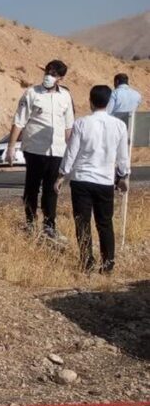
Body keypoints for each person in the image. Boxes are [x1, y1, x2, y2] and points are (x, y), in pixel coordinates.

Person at [55, 85, 131, 273]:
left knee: (82, 222)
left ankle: (87, 262)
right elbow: (123, 156)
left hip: (82, 179)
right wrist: (124, 176)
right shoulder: (119, 126)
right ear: (109, 102)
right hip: (105, 181)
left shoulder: (81, 123)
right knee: (105, 223)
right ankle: (108, 264)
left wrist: (61, 175)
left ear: (90, 101)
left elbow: (71, 152)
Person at [6, 60, 75, 238]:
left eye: (53, 74)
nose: (48, 77)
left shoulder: (65, 96)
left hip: (57, 150)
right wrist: (11, 147)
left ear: (60, 78)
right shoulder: (32, 93)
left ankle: (49, 225)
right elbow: (19, 121)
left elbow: (68, 126)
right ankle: (30, 221)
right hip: (35, 149)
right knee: (32, 187)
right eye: (47, 72)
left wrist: (72, 151)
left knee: (52, 188)